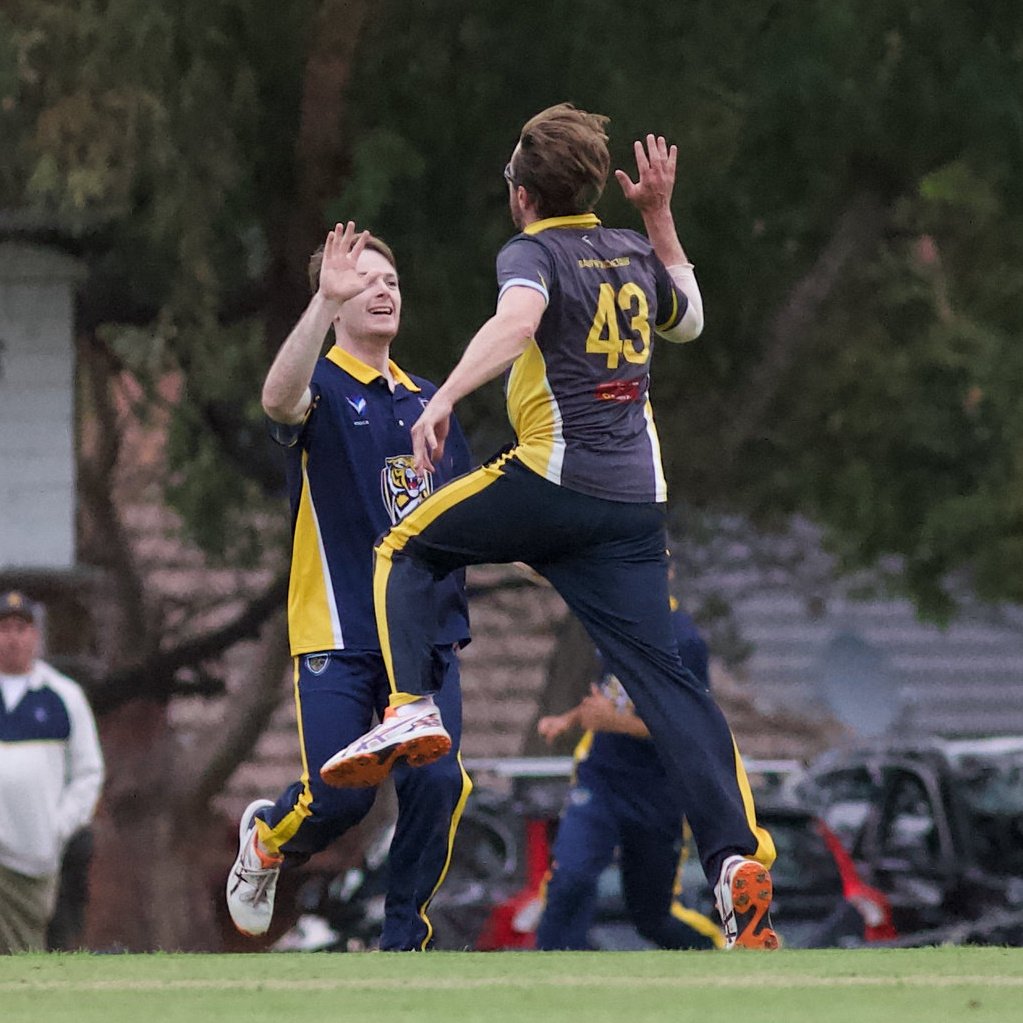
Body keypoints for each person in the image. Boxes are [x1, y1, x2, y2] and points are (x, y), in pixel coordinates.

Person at [320, 103, 779, 950]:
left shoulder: (532, 251)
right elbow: (691, 318)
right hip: (634, 508)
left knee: (405, 545)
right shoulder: (637, 250)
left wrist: (448, 395)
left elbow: (518, 320)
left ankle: (412, 706)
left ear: (523, 195)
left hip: (554, 478)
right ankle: (732, 861)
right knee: (669, 685)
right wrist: (658, 215)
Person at [225, 225, 473, 951]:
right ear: (332, 303)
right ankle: (269, 840)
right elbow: (276, 399)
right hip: (338, 625)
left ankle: (406, 947)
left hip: (422, 635)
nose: (383, 288)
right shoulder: (321, 386)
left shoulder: (430, 398)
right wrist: (320, 302)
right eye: (362, 280)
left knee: (438, 783)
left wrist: (564, 546)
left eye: (389, 278)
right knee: (342, 797)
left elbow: (470, 513)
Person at [534, 600, 724, 950]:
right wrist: (571, 718)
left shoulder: (683, 640)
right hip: (601, 778)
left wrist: (615, 723)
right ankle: (547, 974)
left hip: (657, 791)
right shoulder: (616, 619)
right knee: (570, 877)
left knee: (653, 918)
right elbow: (612, 694)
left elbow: (691, 727)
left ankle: (723, 952)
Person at [0, 590, 105, 954]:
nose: (12, 637)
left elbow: (88, 772)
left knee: (24, 950)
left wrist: (57, 826)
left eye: (21, 628)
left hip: (33, 854)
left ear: (35, 636)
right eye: (4, 628)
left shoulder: (62, 695)